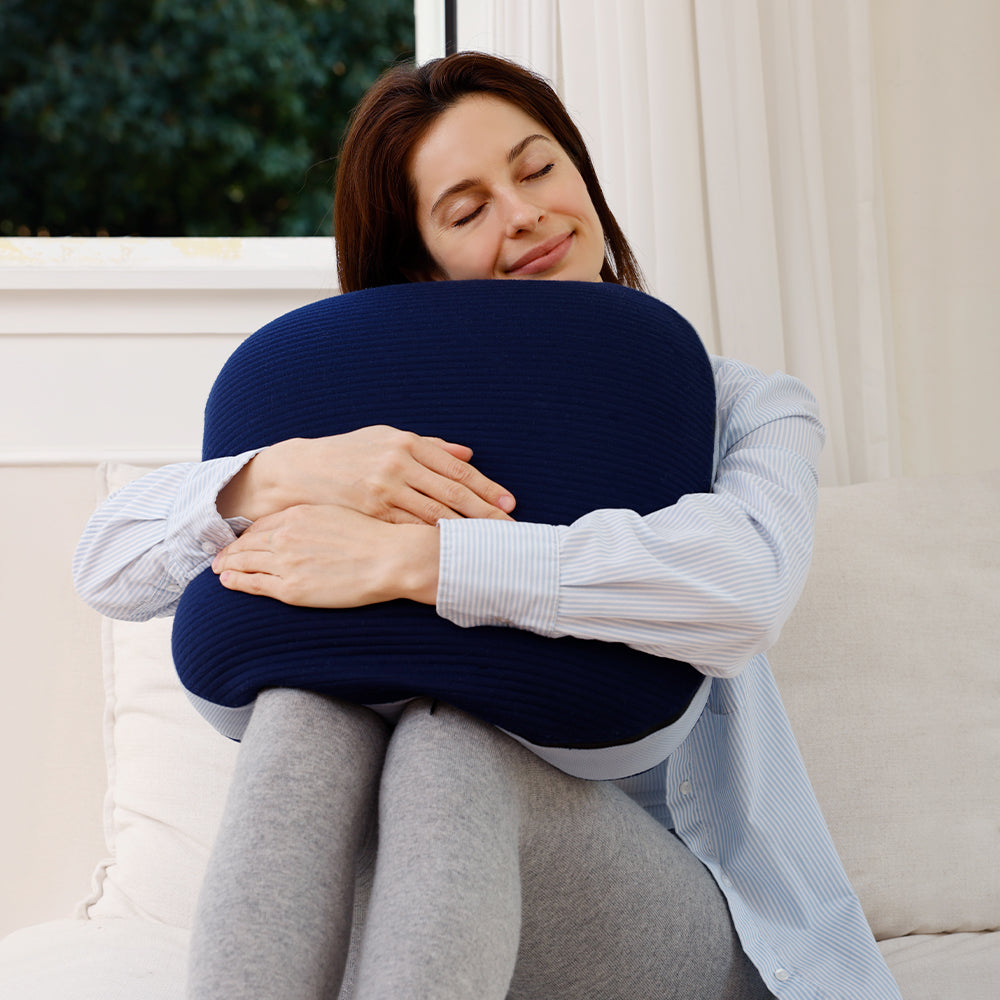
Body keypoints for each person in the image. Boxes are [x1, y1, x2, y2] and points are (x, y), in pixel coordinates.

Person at [73, 52, 902, 1000]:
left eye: (538, 168)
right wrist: (285, 472)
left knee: (453, 740)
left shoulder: (744, 403)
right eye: (467, 212)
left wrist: (417, 559)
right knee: (303, 712)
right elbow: (106, 564)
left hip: (669, 914)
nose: (524, 213)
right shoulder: (363, 434)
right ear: (418, 266)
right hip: (420, 904)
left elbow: (744, 589)